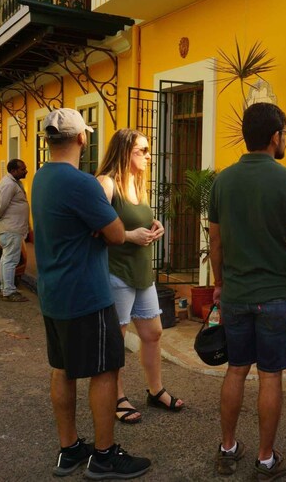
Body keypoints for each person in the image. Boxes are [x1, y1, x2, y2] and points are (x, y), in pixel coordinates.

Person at [32, 108, 151, 479]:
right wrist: (100, 229)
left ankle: (69, 449)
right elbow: (116, 233)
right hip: (87, 292)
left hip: (53, 292)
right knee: (105, 369)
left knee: (63, 369)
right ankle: (104, 455)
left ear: (48, 140)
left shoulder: (40, 178)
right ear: (83, 138)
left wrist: (94, 229)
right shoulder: (81, 182)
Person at [209, 102, 286, 480]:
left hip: (235, 293)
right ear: (275, 136)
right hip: (277, 294)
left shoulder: (223, 180)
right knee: (270, 376)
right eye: (284, 133)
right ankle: (266, 459)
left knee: (236, 371)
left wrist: (219, 284)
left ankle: (228, 448)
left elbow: (215, 242)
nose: (284, 139)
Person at [95, 129, 182, 424]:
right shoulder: (107, 183)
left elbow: (137, 220)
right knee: (116, 340)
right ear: (123, 152)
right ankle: (116, 397)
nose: (148, 156)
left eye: (147, 150)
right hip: (117, 273)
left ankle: (155, 390)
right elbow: (94, 230)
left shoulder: (138, 182)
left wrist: (155, 226)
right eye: (141, 151)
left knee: (153, 333)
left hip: (143, 273)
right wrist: (129, 235)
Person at [0, 158, 30, 302]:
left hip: (12, 228)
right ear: (13, 171)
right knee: (10, 260)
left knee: (7, 259)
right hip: (10, 228)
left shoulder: (13, 182)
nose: (26, 171)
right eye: (22, 169)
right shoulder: (9, 184)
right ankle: (9, 291)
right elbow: (1, 205)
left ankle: (5, 288)